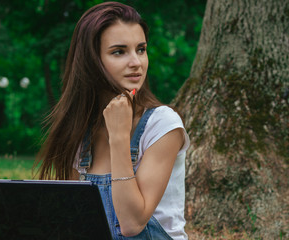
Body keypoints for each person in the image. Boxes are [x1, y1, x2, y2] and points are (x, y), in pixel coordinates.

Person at [35, 2, 190, 239]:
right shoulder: (79, 129)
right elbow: (75, 222)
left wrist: (119, 136)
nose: (136, 62)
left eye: (141, 49)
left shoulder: (162, 124)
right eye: (119, 52)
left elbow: (132, 224)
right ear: (90, 60)